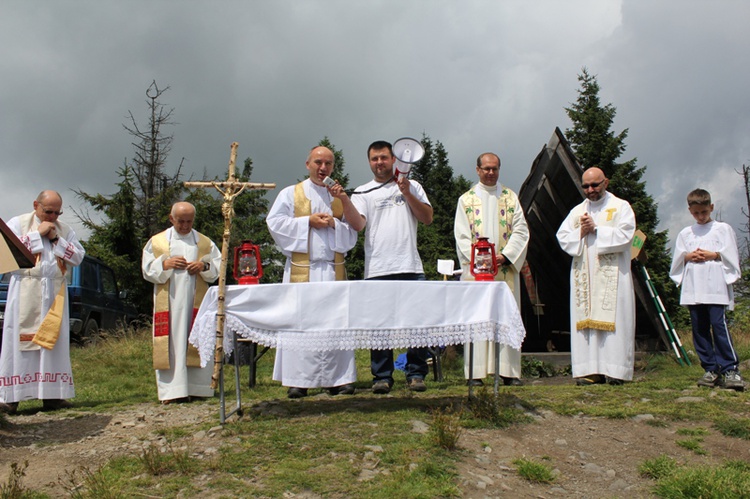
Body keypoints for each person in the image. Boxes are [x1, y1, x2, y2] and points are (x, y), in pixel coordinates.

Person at [266, 146, 360, 398]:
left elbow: (352, 235)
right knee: (300, 323)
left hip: (331, 271)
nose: (323, 168)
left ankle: (338, 379)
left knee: (334, 324)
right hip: (301, 271)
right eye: (318, 162)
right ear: (307, 164)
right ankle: (299, 380)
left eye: (328, 164)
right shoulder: (290, 194)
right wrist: (307, 221)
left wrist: (332, 224)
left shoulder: (339, 197)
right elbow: (274, 223)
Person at [351, 140, 433, 394]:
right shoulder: (363, 192)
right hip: (377, 268)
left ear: (394, 159)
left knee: (416, 322)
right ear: (369, 162)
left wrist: (407, 192)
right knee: (379, 325)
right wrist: (344, 199)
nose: (379, 163)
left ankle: (416, 373)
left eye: (384, 158)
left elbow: (427, 218)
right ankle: (382, 376)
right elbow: (358, 225)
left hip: (409, 264)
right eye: (374, 158)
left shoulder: (413, 185)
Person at [0, 190, 85, 415]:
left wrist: (56, 238)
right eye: (48, 211)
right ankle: (11, 398)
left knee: (52, 344)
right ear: (36, 205)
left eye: (57, 212)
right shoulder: (17, 223)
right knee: (20, 344)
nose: (53, 217)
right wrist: (38, 235)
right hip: (26, 288)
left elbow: (77, 257)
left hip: (54, 292)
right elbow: (6, 253)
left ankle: (53, 395)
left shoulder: (65, 229)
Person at [454, 152, 529, 387]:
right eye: (486, 168)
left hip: (504, 271)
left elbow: (521, 230)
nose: (490, 172)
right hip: (476, 273)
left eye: (494, 168)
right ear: (477, 170)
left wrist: (505, 257)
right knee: (476, 318)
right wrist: (481, 261)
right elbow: (462, 235)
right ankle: (475, 373)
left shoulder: (510, 197)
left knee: (505, 316)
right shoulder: (466, 200)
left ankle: (508, 371)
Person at [555, 167, 636, 386]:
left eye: (595, 185)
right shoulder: (577, 211)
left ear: (606, 182)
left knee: (615, 318)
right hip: (585, 276)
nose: (590, 190)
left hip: (612, 275)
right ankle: (589, 370)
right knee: (586, 322)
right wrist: (580, 232)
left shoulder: (620, 207)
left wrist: (598, 229)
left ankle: (616, 370)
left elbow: (627, 236)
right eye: (586, 186)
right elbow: (562, 237)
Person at [142, 201, 221, 404]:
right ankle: (172, 392)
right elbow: (147, 269)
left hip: (197, 302)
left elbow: (218, 267)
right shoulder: (157, 242)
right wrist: (165, 264)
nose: (185, 226)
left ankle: (198, 389)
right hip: (169, 302)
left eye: (189, 221)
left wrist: (203, 265)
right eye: (181, 222)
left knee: (196, 339)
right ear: (171, 219)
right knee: (172, 344)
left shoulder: (204, 243)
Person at [669, 189, 744, 391]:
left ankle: (730, 368)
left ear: (711, 208)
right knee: (699, 328)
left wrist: (714, 254)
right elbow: (678, 259)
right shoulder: (686, 233)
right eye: (696, 213)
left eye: (704, 212)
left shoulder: (722, 229)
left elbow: (730, 255)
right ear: (690, 211)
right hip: (695, 287)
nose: (701, 217)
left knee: (719, 326)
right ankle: (710, 368)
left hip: (715, 285)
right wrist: (688, 257)